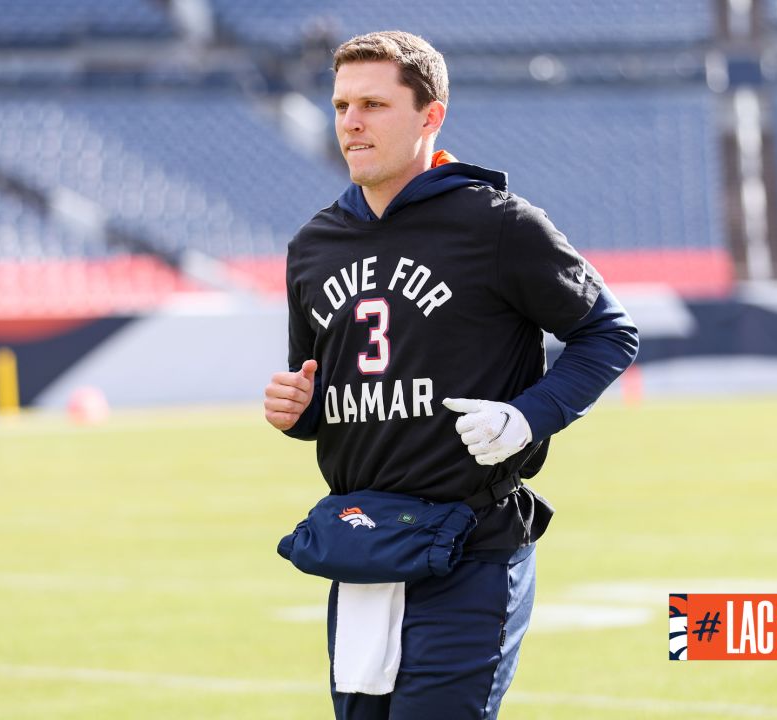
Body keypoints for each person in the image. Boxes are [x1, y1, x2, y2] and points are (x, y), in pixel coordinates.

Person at [263, 30, 639, 720]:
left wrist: (528, 416)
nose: (351, 121)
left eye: (374, 104)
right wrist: (297, 409)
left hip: (470, 545)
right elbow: (324, 394)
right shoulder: (313, 244)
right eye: (342, 104)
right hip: (360, 545)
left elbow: (608, 332)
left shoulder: (498, 225)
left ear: (430, 116)